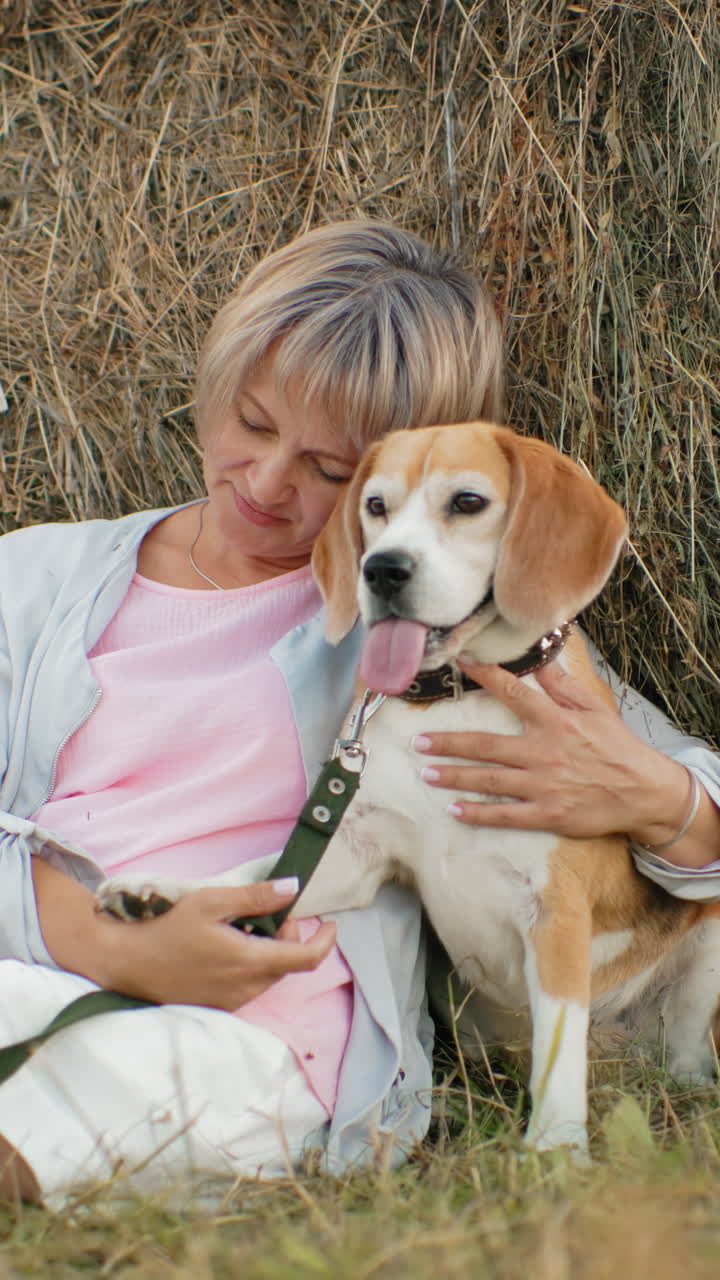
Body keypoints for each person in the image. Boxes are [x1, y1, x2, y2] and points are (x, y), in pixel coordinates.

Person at [0, 220, 718, 1208]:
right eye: (251, 422)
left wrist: (660, 797)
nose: (266, 482)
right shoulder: (32, 578)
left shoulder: (433, 629)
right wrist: (102, 940)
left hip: (261, 1023)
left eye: (334, 473)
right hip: (36, 957)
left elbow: (675, 774)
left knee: (76, 1087)